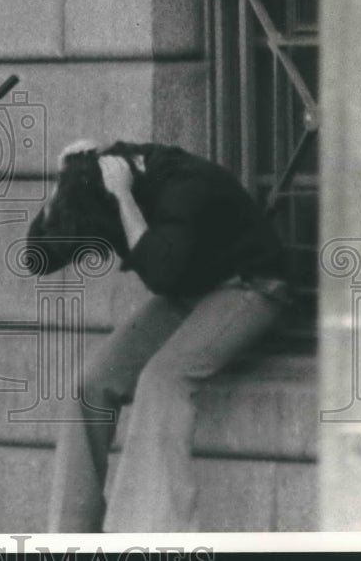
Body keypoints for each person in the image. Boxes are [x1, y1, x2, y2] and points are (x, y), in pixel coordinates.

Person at [24, 139, 289, 532]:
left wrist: (125, 200)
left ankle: (148, 534)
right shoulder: (95, 187)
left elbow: (161, 274)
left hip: (251, 288)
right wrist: (59, 182)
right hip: (189, 292)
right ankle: (70, 537)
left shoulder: (183, 184)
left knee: (162, 379)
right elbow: (38, 257)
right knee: (90, 384)